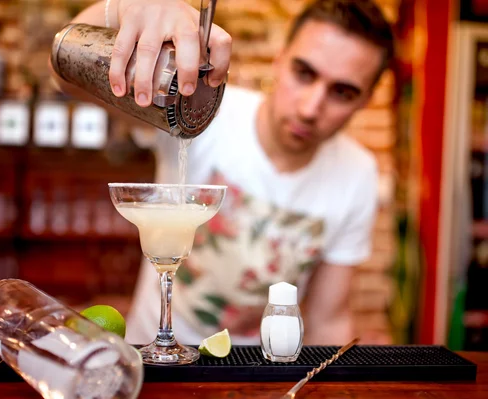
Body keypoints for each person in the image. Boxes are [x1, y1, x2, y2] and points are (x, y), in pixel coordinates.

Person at [50, 0, 395, 346]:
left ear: (364, 102)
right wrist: (123, 8)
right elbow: (65, 76)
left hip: (252, 372)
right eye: (304, 73)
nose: (310, 108)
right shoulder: (199, 107)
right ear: (280, 58)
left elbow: (328, 319)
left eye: (342, 92)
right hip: (153, 357)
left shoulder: (356, 174)